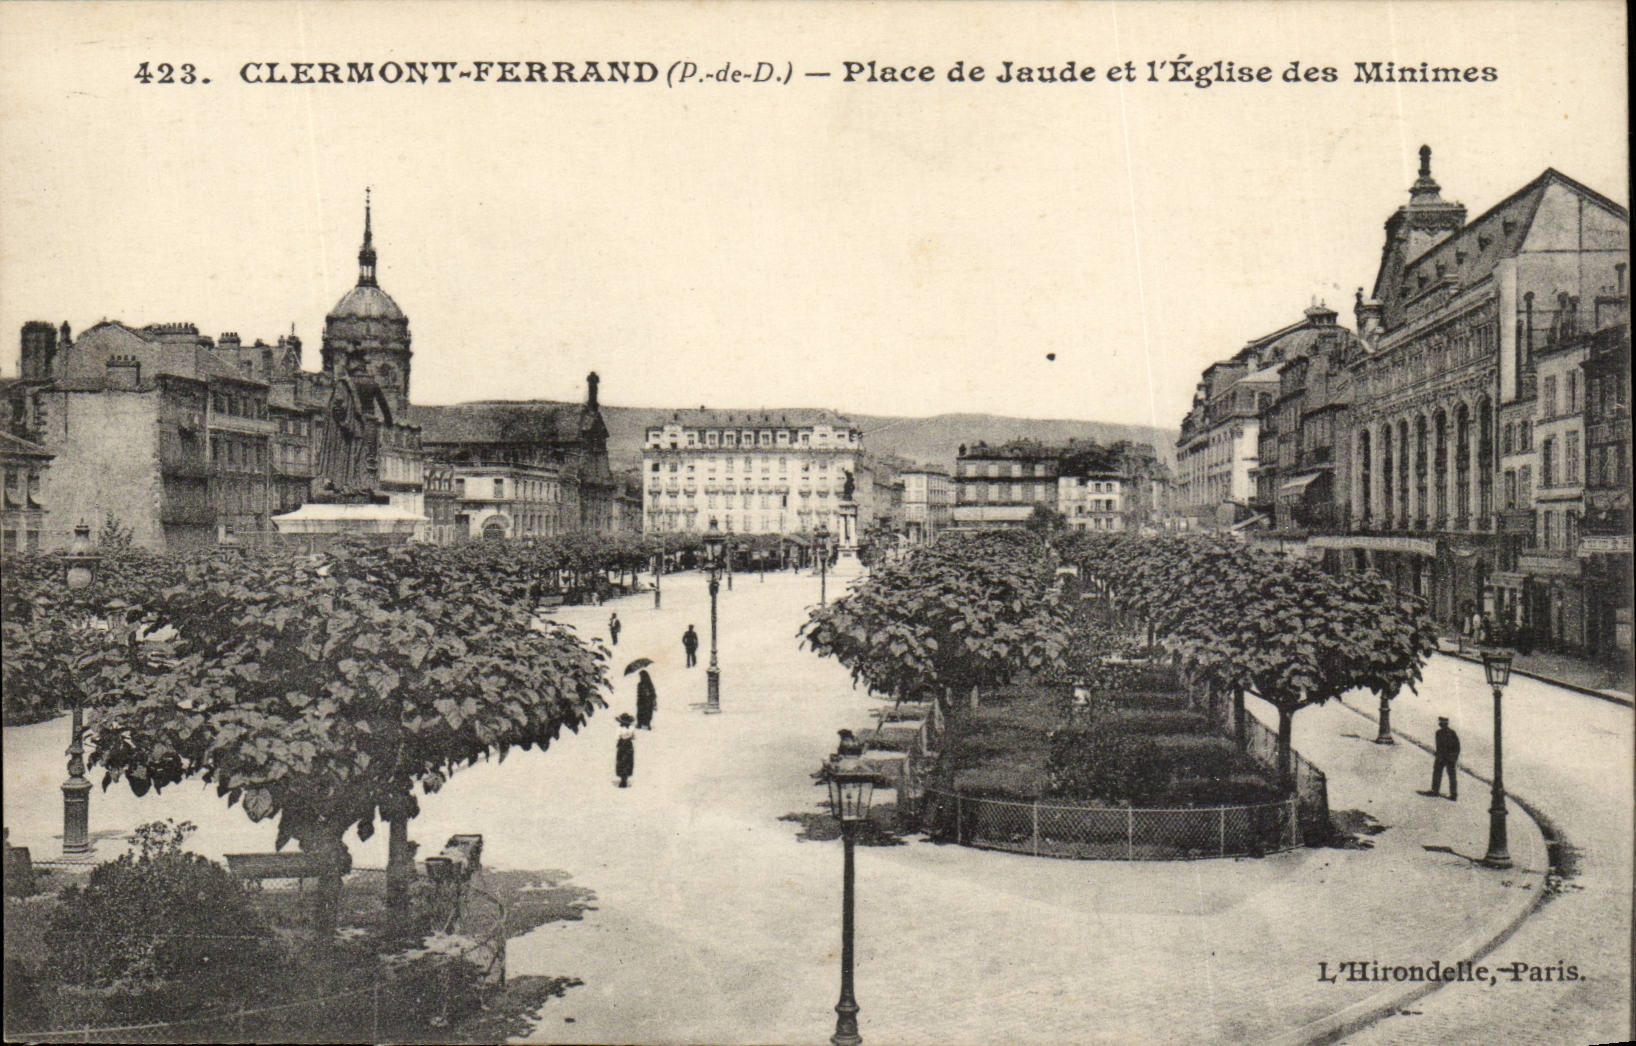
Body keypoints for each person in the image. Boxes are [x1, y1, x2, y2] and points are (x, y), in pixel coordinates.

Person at [1431, 716, 1460, 800]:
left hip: (1446, 758)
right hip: (1445, 757)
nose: (1440, 724)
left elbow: (1456, 746)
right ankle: (1451, 794)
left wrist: (1453, 757)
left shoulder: (1443, 733)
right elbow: (1439, 746)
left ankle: (1438, 791)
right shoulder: (1444, 733)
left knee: (1445, 774)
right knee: (1446, 775)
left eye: (1441, 723)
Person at [614, 713, 636, 788]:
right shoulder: (631, 728)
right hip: (628, 745)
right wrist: (629, 736)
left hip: (622, 745)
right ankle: (624, 778)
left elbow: (617, 737)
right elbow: (634, 737)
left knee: (622, 762)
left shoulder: (619, 728)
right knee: (627, 761)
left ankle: (623, 779)